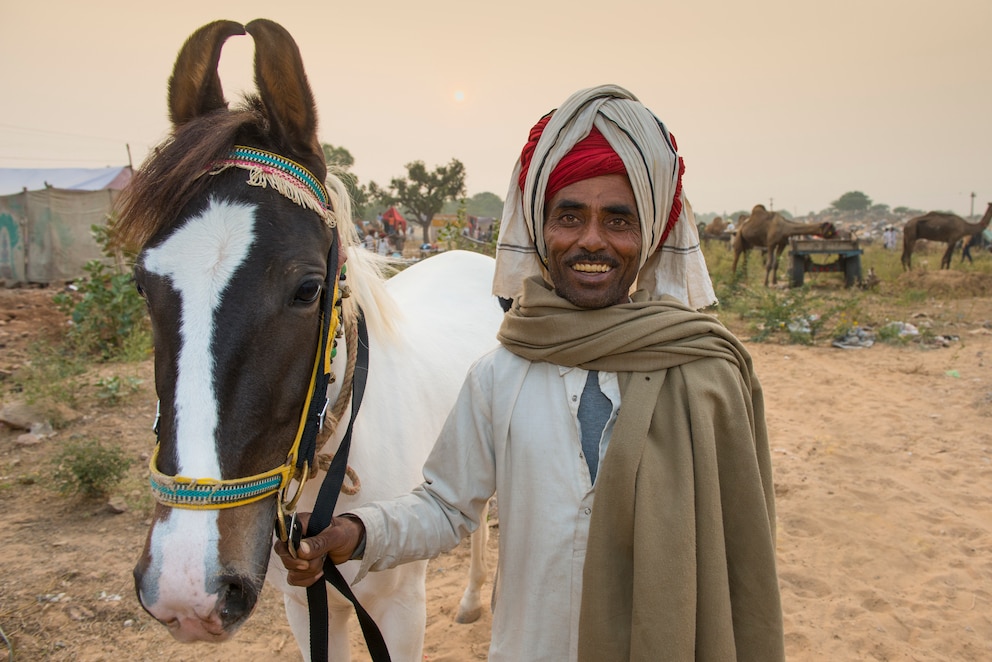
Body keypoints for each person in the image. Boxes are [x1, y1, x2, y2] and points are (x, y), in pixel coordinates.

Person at [276, 84, 784, 661]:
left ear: (652, 234)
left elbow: (738, 556)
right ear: (540, 229)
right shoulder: (502, 373)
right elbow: (447, 505)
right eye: (569, 216)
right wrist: (361, 533)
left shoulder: (708, 375)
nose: (591, 240)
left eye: (618, 220)